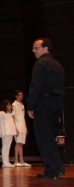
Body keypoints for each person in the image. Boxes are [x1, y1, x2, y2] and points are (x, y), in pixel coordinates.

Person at [27, 38, 64, 179]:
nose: (34, 51)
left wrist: (31, 105)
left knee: (44, 137)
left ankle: (51, 170)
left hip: (43, 103)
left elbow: (35, 86)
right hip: (56, 103)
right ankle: (58, 168)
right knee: (52, 136)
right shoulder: (58, 65)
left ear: (45, 48)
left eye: (36, 48)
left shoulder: (40, 64)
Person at [12, 90, 31, 167]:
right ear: (16, 96)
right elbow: (12, 116)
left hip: (22, 126)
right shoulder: (14, 105)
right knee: (18, 143)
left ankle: (21, 160)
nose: (21, 96)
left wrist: (25, 127)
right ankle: (16, 161)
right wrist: (15, 128)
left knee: (21, 144)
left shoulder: (22, 105)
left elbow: (23, 117)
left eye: (22, 95)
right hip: (17, 126)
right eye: (20, 95)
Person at [0, 100, 16, 168]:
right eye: (8, 105)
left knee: (8, 147)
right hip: (5, 132)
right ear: (5, 106)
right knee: (5, 146)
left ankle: (7, 161)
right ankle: (4, 161)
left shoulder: (10, 113)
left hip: (10, 131)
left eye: (10, 105)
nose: (10, 106)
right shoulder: (2, 113)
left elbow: (12, 122)